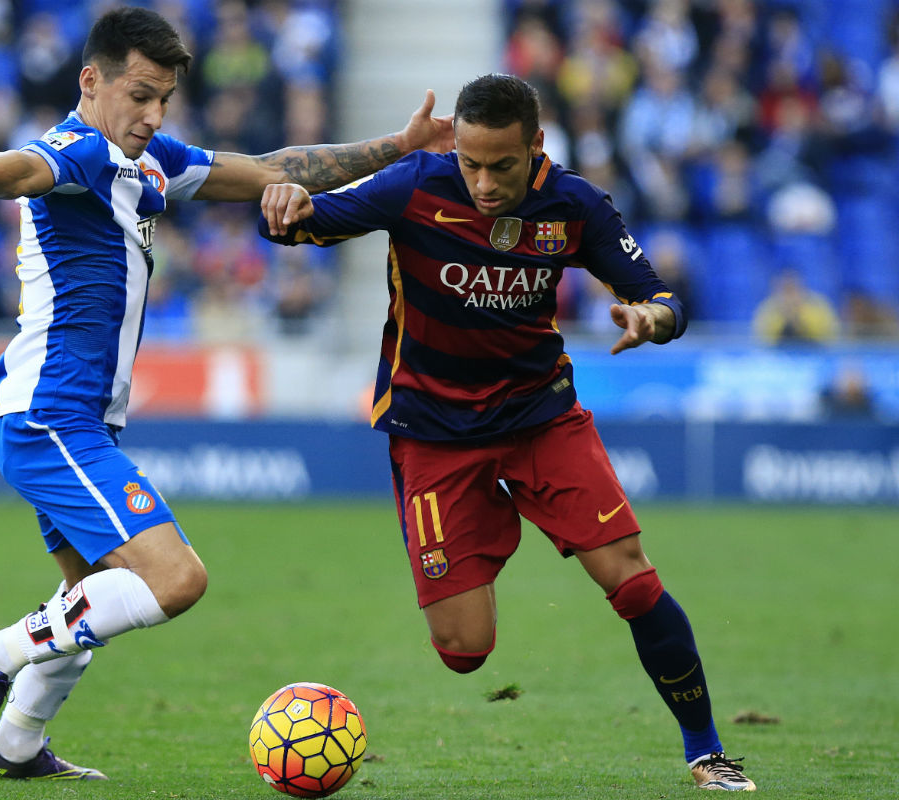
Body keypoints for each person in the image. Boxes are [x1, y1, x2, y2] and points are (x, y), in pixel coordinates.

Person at [0, 6, 453, 783]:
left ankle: (18, 743)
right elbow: (23, 167)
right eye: (139, 94)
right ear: (91, 81)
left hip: (68, 415)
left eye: (164, 97)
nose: (153, 113)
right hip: (49, 415)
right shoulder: (80, 150)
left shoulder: (149, 161)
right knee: (175, 580)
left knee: (90, 597)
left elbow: (270, 168)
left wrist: (396, 149)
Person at [258, 74, 756, 792]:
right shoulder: (413, 186)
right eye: (470, 164)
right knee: (465, 650)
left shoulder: (575, 204)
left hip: (539, 418)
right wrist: (281, 202)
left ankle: (707, 753)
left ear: (537, 147)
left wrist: (651, 320)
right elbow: (296, 220)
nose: (485, 184)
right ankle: (492, 517)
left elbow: (661, 296)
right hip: (431, 430)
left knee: (633, 581)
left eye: (502, 165)